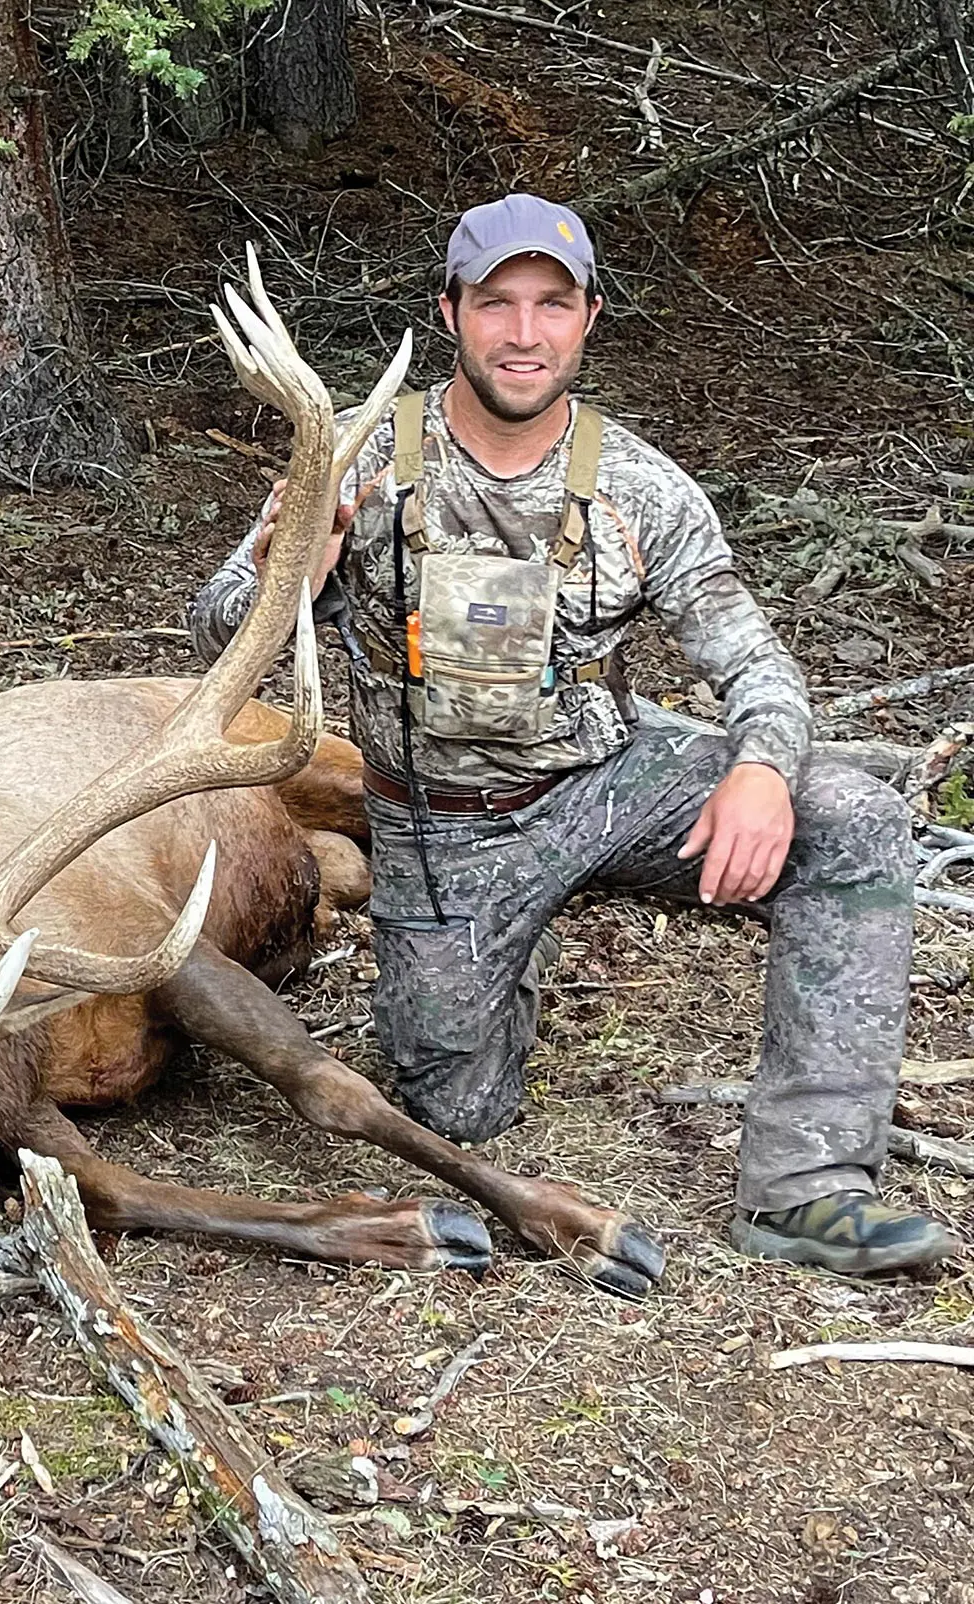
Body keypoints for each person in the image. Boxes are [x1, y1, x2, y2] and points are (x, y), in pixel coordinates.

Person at [190, 194, 959, 1276]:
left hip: (604, 781)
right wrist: (287, 577)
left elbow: (756, 663)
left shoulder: (641, 486)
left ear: (587, 317)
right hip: (439, 826)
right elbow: (211, 628)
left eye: (550, 304)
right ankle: (507, 947)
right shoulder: (358, 460)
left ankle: (806, 1187)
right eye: (494, 302)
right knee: (455, 1108)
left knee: (851, 818)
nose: (521, 331)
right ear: (448, 310)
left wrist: (756, 771)